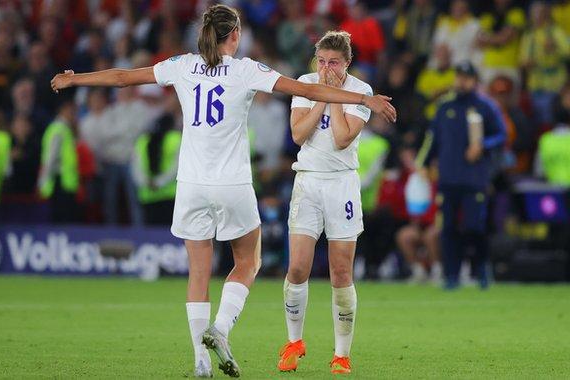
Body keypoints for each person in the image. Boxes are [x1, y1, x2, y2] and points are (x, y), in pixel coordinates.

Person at [51, 5, 396, 377]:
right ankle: (223, 328)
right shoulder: (246, 70)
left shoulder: (181, 64)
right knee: (248, 262)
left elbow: (122, 78)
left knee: (198, 272)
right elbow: (304, 88)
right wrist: (363, 100)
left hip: (190, 185)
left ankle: (201, 361)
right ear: (235, 36)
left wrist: (75, 80)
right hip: (232, 184)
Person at [277, 31, 373, 375]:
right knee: (298, 268)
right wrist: (320, 93)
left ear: (347, 63)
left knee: (341, 272)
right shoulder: (304, 84)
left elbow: (343, 138)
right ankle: (293, 343)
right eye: (321, 60)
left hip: (342, 185)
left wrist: (332, 94)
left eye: (333, 62)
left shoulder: (361, 92)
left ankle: (341, 355)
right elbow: (298, 134)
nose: (326, 67)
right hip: (308, 182)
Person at [420, 61, 506, 290]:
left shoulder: (486, 107)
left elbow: (501, 135)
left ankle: (481, 270)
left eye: (466, 77)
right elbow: (433, 139)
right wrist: (424, 164)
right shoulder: (444, 107)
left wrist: (483, 145)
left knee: (474, 227)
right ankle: (451, 275)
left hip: (474, 178)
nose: (462, 81)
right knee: (448, 228)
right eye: (459, 76)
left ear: (475, 80)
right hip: (448, 178)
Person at [131, 113, 181, 225]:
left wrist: (146, 182)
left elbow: (136, 168)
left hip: (148, 195)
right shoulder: (176, 138)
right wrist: (159, 183)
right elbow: (177, 167)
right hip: (170, 195)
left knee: (151, 233)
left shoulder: (142, 141)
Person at [37, 99, 79, 224]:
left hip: (65, 181)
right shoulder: (59, 129)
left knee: (64, 217)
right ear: (64, 110)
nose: (74, 115)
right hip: (59, 181)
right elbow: (51, 157)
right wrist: (43, 180)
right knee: (62, 218)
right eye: (72, 111)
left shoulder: (64, 129)